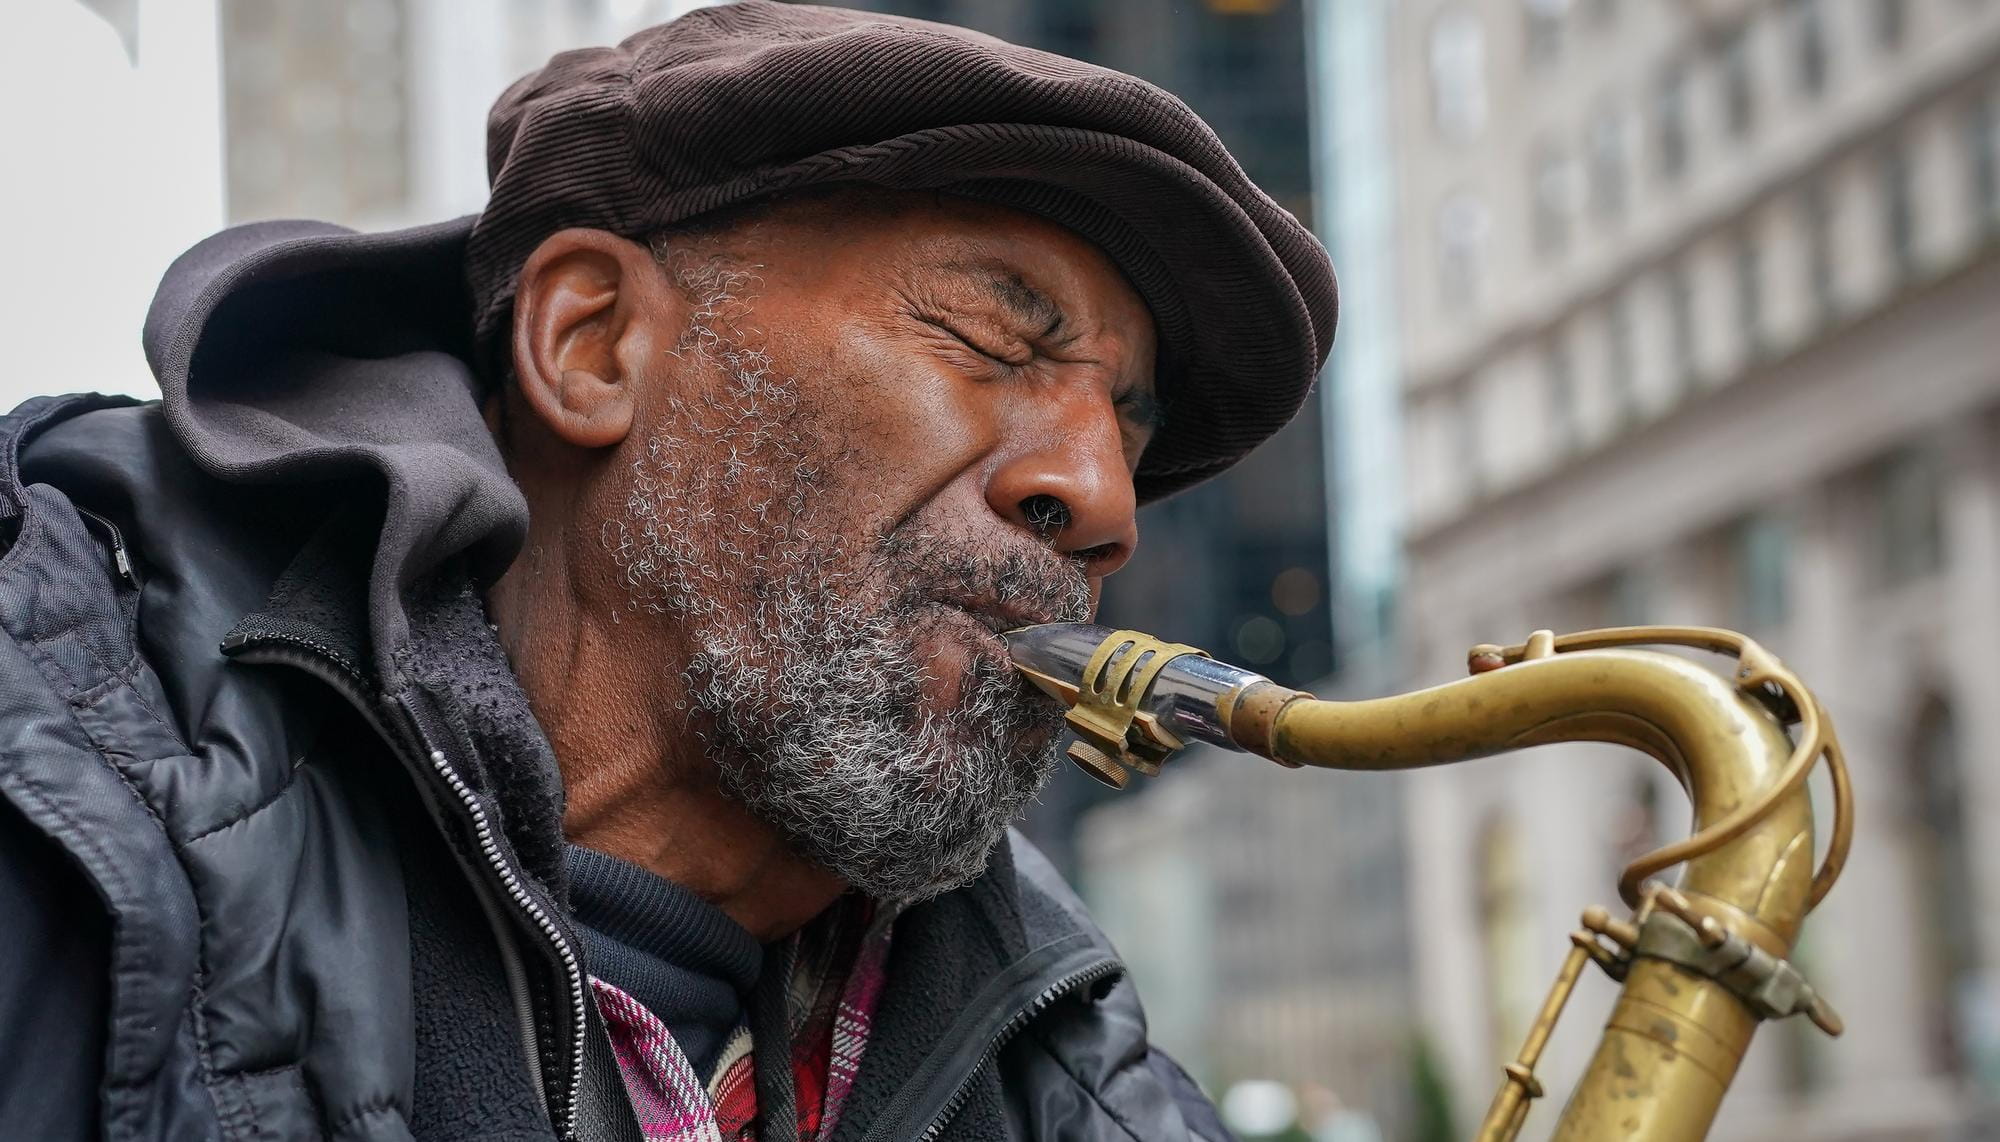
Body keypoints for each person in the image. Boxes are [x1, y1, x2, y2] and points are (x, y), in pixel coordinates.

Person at [0, 4, 1334, 1140]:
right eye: (995, 335)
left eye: (1131, 425)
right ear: (593, 345)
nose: (1103, 501)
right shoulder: (47, 763)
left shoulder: (1081, 1075)